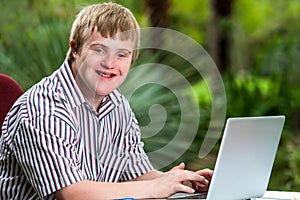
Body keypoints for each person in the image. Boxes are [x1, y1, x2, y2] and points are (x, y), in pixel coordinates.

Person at [0, 2, 213, 199]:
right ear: (75, 49)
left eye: (122, 54)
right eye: (99, 50)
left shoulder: (116, 104)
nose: (110, 63)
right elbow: (72, 194)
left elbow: (134, 174)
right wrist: (156, 187)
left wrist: (181, 182)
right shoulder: (42, 109)